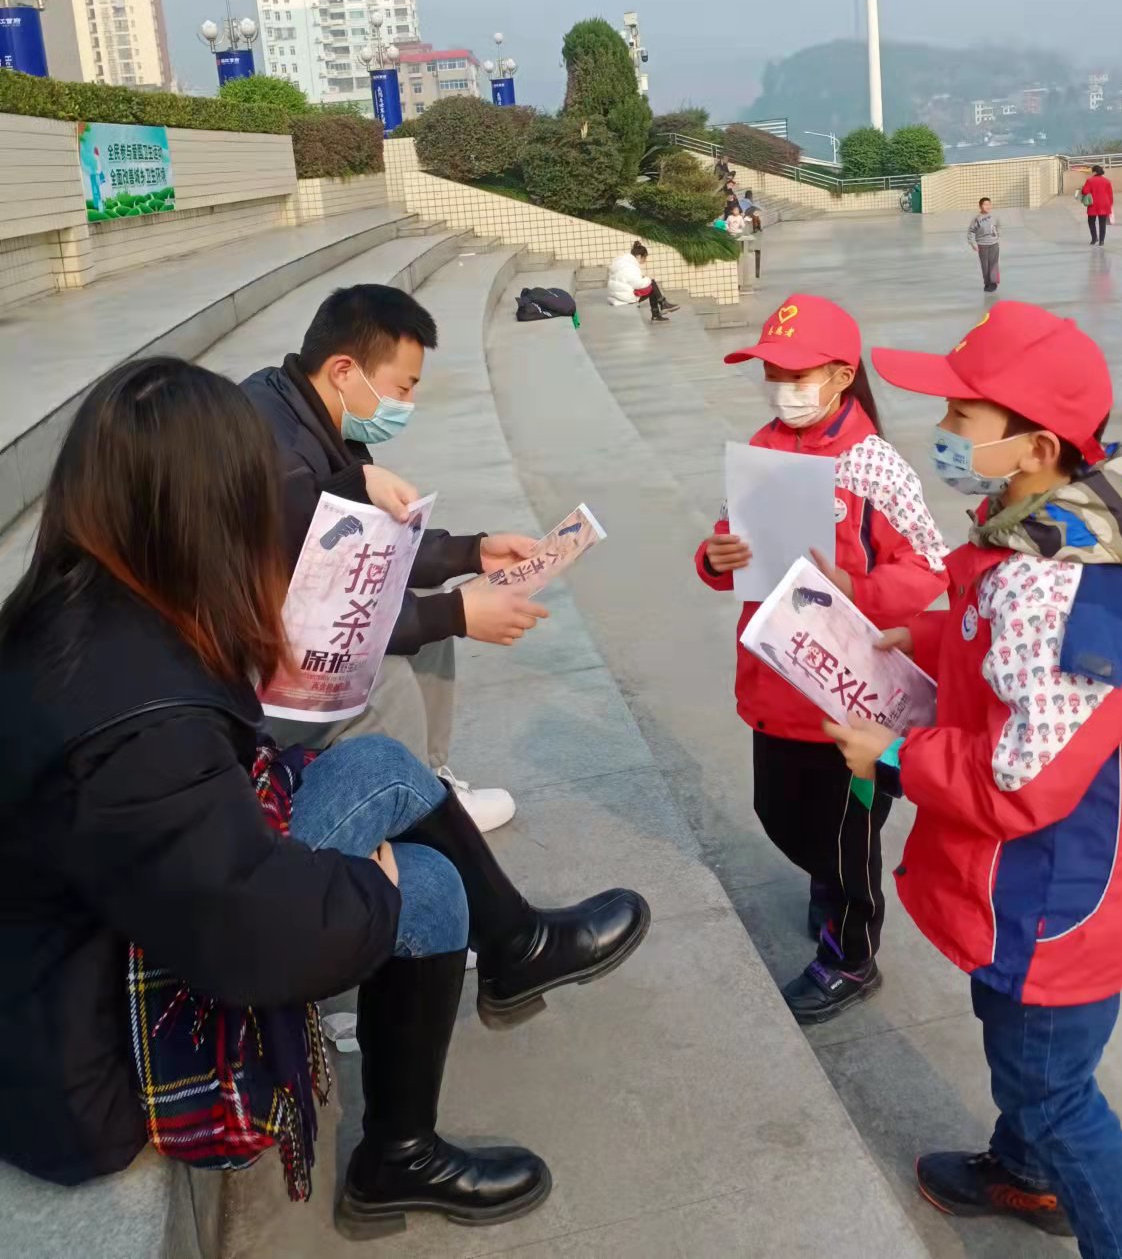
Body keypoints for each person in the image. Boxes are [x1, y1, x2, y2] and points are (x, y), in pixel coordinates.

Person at [0, 357, 651, 1233]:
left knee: (381, 765)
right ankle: (398, 1157)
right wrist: (368, 886)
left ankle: (517, 944)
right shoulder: (141, 725)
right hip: (79, 1041)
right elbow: (248, 935)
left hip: (100, 923)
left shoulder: (79, 602)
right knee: (422, 888)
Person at [824, 301, 1122, 1257]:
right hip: (1056, 880)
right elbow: (991, 645)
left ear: (1034, 446)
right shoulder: (1041, 526)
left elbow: (1018, 779)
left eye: (963, 419)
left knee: (1052, 1090)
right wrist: (918, 632)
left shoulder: (1057, 589)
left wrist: (893, 754)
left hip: (1053, 895)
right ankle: (1022, 1172)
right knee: (1032, 1063)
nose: (944, 435)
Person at [694, 295, 948, 1023]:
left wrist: (860, 588)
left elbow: (930, 564)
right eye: (771, 371)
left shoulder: (876, 467)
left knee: (848, 842)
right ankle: (828, 882)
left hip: (847, 703)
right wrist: (716, 558)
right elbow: (725, 541)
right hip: (773, 684)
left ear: (841, 376)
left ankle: (850, 956)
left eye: (796, 372)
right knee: (775, 810)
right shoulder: (762, 447)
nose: (781, 385)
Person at [242, 284, 542, 832]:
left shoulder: (297, 404)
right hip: (245, 672)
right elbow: (316, 619)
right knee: (385, 679)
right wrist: (458, 614)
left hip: (280, 623)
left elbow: (369, 549)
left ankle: (428, 783)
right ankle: (415, 812)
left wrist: (472, 551)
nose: (407, 403)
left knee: (424, 600)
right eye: (403, 386)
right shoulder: (279, 460)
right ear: (343, 371)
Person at [606, 240, 679, 322]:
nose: (645, 260)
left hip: (617, 295)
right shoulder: (630, 267)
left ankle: (660, 309)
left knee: (650, 284)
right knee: (651, 283)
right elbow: (638, 284)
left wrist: (644, 278)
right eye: (644, 258)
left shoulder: (622, 263)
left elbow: (628, 280)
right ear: (639, 256)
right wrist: (648, 279)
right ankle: (661, 306)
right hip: (624, 298)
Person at [966, 197, 1001, 293]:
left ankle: (993, 283)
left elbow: (999, 227)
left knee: (993, 264)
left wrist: (998, 236)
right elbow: (971, 231)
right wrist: (973, 244)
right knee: (985, 265)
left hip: (994, 244)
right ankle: (987, 282)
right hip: (982, 245)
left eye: (989, 204)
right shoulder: (977, 219)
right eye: (985, 204)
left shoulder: (994, 217)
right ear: (980, 206)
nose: (988, 206)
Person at [1080, 164, 1114, 246]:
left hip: (1093, 204)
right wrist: (1110, 205)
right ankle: (1101, 241)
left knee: (1091, 222)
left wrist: (1082, 188)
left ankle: (1094, 238)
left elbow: (1085, 191)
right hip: (1104, 204)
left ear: (1094, 171)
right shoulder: (1107, 181)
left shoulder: (1090, 180)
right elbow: (1110, 194)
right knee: (1102, 223)